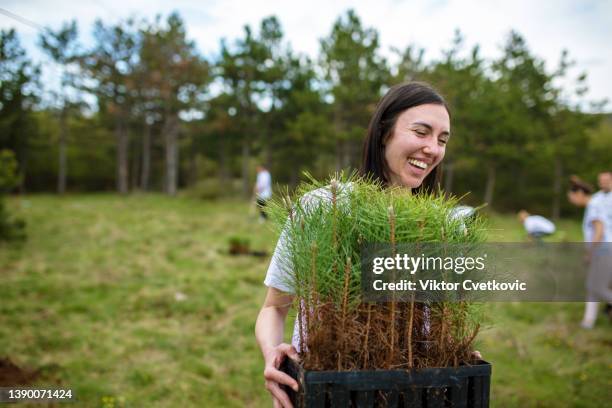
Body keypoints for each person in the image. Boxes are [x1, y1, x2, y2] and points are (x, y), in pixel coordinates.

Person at [255, 82, 458, 408]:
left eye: (442, 140)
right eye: (421, 132)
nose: (433, 148)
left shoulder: (444, 228)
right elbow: (274, 307)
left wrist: (453, 350)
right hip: (325, 394)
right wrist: (271, 355)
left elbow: (431, 322)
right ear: (383, 133)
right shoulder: (323, 208)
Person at [567, 176, 611, 329]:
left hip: (604, 250)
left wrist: (590, 253)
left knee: (597, 287)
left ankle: (589, 321)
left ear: (579, 193)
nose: (571, 200)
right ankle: (588, 322)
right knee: (591, 287)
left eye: (571, 197)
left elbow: (599, 230)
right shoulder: (594, 204)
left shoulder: (593, 206)